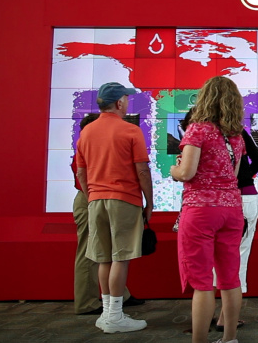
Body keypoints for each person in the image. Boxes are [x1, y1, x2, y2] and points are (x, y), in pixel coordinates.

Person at [170, 76, 246, 343]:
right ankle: (229, 338)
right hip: (232, 210)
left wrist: (174, 169)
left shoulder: (197, 130)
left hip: (201, 210)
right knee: (230, 278)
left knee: (202, 282)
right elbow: (232, 176)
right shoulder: (236, 136)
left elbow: (187, 173)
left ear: (205, 98)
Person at [76, 82, 153, 333]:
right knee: (121, 257)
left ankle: (108, 313)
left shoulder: (87, 132)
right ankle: (115, 316)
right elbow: (142, 171)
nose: (127, 102)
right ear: (119, 102)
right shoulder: (130, 130)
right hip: (124, 199)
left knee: (104, 258)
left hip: (95, 199)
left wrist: (91, 195)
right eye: (126, 99)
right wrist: (149, 202)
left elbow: (81, 171)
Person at [72, 113, 143, 316]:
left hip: (97, 199)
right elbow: (82, 175)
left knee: (110, 251)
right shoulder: (86, 147)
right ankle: (87, 302)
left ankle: (119, 296)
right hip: (92, 199)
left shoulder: (90, 147)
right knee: (91, 253)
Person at [215, 128, 258, 331]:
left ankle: (205, 311)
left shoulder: (205, 132)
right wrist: (245, 175)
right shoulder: (239, 131)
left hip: (217, 199)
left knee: (215, 257)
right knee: (239, 256)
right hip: (246, 196)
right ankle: (226, 317)